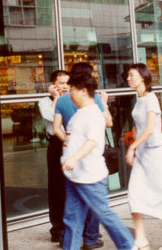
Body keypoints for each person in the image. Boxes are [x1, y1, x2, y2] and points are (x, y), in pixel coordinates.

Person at [61, 70, 139, 250]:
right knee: (72, 220)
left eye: (72, 89)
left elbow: (92, 141)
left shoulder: (93, 114)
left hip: (90, 177)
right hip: (75, 176)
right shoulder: (80, 113)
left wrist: (73, 158)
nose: (69, 92)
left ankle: (129, 246)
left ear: (82, 91)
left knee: (104, 214)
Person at [54, 62, 111, 250]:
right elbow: (108, 123)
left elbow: (56, 128)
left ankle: (67, 237)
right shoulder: (93, 98)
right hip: (90, 154)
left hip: (71, 155)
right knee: (96, 201)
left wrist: (68, 144)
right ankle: (91, 237)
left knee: (72, 202)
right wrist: (105, 103)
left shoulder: (62, 99)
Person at [125, 64, 162, 250]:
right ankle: (140, 238)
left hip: (155, 153)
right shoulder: (138, 99)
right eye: (128, 76)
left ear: (143, 77)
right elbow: (140, 126)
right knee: (135, 193)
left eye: (132, 75)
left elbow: (149, 130)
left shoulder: (151, 99)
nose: (128, 79)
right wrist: (133, 135)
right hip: (143, 153)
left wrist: (132, 147)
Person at [38, 69, 70, 243]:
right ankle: (57, 229)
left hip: (73, 144)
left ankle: (79, 226)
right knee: (57, 187)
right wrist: (57, 98)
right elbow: (50, 117)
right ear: (53, 85)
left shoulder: (74, 99)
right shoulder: (44, 101)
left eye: (67, 82)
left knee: (75, 186)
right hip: (57, 145)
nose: (65, 86)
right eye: (61, 83)